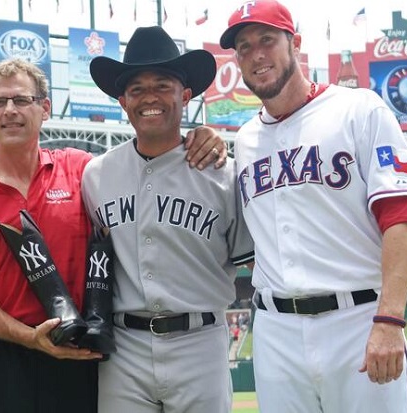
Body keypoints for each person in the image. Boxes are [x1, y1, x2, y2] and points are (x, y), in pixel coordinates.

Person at [0, 58, 228, 413]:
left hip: (79, 352)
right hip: (3, 356)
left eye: (21, 100)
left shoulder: (81, 170)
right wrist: (31, 338)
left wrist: (198, 138)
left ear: (45, 108)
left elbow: (145, 160)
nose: (10, 110)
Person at [219, 1, 407, 412]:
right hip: (277, 329)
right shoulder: (243, 141)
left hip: (359, 318)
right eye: (243, 47)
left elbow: (402, 216)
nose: (256, 54)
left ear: (295, 43)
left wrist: (389, 320)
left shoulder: (358, 109)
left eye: (267, 40)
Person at [83, 26, 255, 413]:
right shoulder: (94, 176)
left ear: (186, 95)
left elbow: (254, 260)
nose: (150, 98)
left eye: (162, 85)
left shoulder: (224, 173)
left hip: (201, 342)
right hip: (124, 349)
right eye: (137, 89)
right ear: (123, 102)